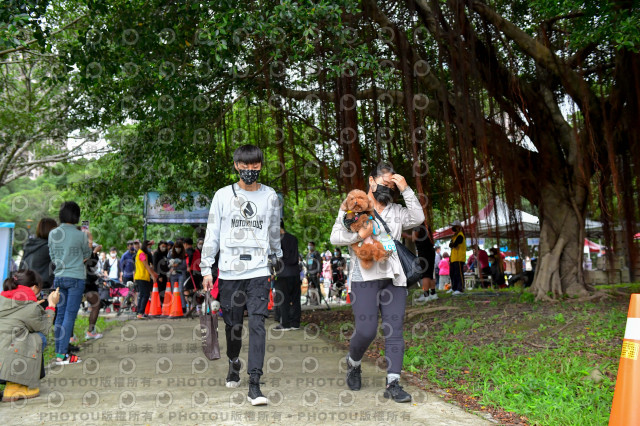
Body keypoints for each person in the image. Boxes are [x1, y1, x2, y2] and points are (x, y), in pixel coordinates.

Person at [330, 162, 425, 403]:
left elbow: (418, 217)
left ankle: (393, 383)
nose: (388, 189)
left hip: (394, 277)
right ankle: (354, 362)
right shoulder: (353, 205)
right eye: (384, 183)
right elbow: (335, 236)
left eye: (392, 186)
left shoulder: (397, 210)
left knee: (395, 330)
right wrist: (358, 235)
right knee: (366, 330)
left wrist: (406, 189)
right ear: (371, 181)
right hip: (364, 277)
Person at [200, 144, 282, 406]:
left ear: (261, 166)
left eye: (255, 165)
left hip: (259, 269)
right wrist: (206, 268)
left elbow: (273, 229)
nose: (250, 170)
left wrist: (276, 255)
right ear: (236, 165)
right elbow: (212, 233)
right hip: (230, 271)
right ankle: (233, 361)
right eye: (245, 165)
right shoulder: (223, 195)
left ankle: (254, 383)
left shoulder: (270, 196)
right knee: (233, 325)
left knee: (258, 323)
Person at [0, 270, 60, 401]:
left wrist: (33, 306)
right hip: (8, 360)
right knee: (39, 337)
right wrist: (52, 305)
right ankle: (14, 386)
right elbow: (44, 328)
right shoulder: (30, 307)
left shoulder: (3, 298)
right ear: (33, 287)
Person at [48, 201, 92, 365]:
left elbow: (53, 257)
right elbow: (87, 255)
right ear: (76, 216)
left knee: (60, 315)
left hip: (59, 277)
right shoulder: (81, 235)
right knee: (69, 316)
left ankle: (59, 353)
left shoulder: (53, 233)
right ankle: (63, 354)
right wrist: (89, 239)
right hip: (76, 278)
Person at [273, 219, 301, 331]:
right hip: (295, 272)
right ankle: (295, 323)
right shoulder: (294, 238)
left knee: (283, 299)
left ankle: (285, 323)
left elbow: (275, 258)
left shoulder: (276, 241)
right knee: (295, 298)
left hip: (282, 273)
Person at [19, 218, 58, 291]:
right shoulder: (50, 247)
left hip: (24, 284)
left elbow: (22, 264)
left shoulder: (29, 244)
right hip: (41, 287)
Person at [83, 242, 104, 339]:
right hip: (86, 284)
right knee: (96, 304)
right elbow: (89, 263)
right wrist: (94, 252)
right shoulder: (85, 255)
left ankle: (70, 336)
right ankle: (90, 331)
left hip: (86, 282)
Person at [412, 221, 437, 302]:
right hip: (431, 251)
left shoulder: (417, 227)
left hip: (423, 252)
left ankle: (426, 295)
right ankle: (433, 293)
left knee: (425, 274)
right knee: (430, 273)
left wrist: (405, 235)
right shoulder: (427, 226)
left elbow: (414, 238)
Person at [134, 239, 158, 319]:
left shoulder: (142, 253)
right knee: (145, 294)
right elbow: (146, 266)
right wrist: (153, 275)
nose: (149, 248)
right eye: (149, 247)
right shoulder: (141, 253)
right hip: (142, 277)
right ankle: (140, 312)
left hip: (142, 277)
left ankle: (139, 312)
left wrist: (153, 273)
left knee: (142, 294)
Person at [168, 240, 188, 312]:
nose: (178, 249)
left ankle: (183, 307)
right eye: (176, 247)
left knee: (180, 290)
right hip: (173, 274)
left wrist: (176, 266)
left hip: (181, 274)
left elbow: (184, 265)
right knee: (173, 291)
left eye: (179, 247)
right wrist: (172, 265)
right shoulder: (170, 253)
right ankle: (175, 306)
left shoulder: (184, 254)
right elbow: (168, 263)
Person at [103, 246, 125, 311]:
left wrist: (120, 277)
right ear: (110, 253)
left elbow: (120, 270)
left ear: (116, 253)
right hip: (109, 279)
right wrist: (107, 276)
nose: (113, 253)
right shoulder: (107, 261)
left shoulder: (118, 260)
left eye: (114, 252)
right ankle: (108, 304)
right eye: (112, 252)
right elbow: (105, 269)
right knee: (110, 292)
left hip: (116, 278)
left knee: (117, 292)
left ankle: (117, 304)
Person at [448, 220, 466, 295]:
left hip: (459, 258)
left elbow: (454, 244)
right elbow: (450, 245)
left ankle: (460, 288)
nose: (453, 228)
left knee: (459, 274)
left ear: (458, 227)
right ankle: (454, 288)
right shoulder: (454, 236)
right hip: (453, 258)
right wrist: (453, 245)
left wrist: (453, 245)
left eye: (454, 226)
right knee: (453, 273)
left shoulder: (460, 235)